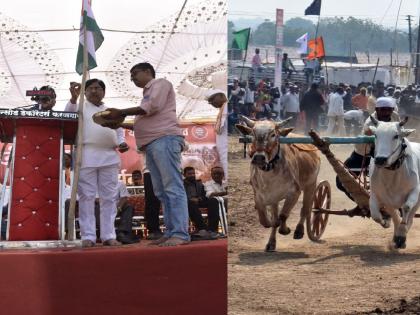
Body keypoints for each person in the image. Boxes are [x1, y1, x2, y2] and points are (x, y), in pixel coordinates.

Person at [100, 62, 190, 247]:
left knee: (172, 187)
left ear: (148, 72)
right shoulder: (146, 96)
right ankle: (172, 231)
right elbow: (146, 120)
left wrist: (122, 112)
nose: (132, 78)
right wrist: (120, 124)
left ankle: (180, 233)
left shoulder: (160, 84)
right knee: (162, 192)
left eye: (135, 74)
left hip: (164, 140)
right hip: (153, 144)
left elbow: (153, 106)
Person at [65, 79, 129, 247]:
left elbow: (119, 130)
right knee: (86, 197)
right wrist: (73, 99)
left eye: (98, 88)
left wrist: (122, 143)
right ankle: (88, 236)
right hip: (85, 156)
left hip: (109, 156)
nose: (94, 91)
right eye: (91, 88)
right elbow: (68, 116)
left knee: (109, 198)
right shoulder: (79, 106)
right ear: (85, 92)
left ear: (104, 92)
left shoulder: (110, 111)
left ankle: (109, 235)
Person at [336, 97, 400, 201]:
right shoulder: (370, 121)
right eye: (383, 109)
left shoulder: (395, 116)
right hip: (365, 153)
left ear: (393, 110)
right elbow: (368, 131)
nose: (387, 112)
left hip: (390, 154)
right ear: (377, 109)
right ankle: (362, 202)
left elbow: (399, 131)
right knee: (341, 182)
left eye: (389, 109)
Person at [206, 89, 228, 178]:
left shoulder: (226, 107)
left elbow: (221, 128)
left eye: (212, 100)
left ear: (221, 96)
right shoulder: (222, 108)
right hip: (223, 147)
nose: (211, 103)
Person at [204, 166, 227, 235]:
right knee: (213, 201)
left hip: (227, 203)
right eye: (214, 174)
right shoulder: (208, 183)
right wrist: (226, 192)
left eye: (219, 173)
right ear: (211, 175)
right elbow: (210, 195)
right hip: (217, 205)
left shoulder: (226, 183)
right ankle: (213, 230)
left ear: (223, 174)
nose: (217, 175)